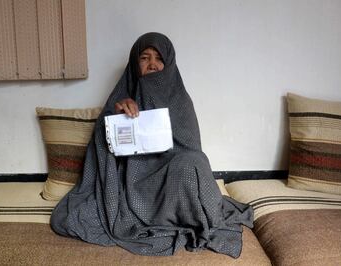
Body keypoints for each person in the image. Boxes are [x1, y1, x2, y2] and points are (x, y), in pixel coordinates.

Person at [50, 32, 253, 257]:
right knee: (73, 218)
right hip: (132, 181)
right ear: (135, 64)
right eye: (145, 58)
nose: (153, 64)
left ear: (168, 62)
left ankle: (187, 215)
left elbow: (191, 149)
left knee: (193, 163)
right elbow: (103, 150)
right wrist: (117, 119)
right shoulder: (122, 97)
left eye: (158, 58)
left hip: (170, 180)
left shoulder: (181, 100)